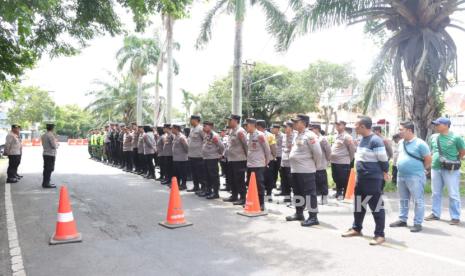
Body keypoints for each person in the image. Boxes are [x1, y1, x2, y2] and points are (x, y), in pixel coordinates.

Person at [342, 116, 389, 246]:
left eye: (356, 126)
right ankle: (356, 228)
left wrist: (385, 172)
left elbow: (383, 160)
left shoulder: (375, 141)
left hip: (372, 179)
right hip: (361, 178)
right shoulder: (363, 139)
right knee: (359, 205)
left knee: (376, 207)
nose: (354, 128)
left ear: (363, 126)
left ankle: (380, 235)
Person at [389, 121, 431, 232]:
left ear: (409, 130)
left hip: (415, 176)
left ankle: (418, 223)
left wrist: (422, 170)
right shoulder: (401, 142)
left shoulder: (420, 144)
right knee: (403, 199)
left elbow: (428, 159)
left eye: (401, 130)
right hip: (401, 175)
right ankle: (403, 219)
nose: (399, 132)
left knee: (418, 200)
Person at [425, 117, 465, 225]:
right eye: (435, 124)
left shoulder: (456, 137)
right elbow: (431, 152)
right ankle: (435, 213)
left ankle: (455, 216)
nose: (436, 126)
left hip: (451, 169)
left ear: (446, 125)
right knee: (435, 193)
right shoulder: (433, 137)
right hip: (435, 168)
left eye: (438, 124)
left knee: (453, 193)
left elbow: (462, 151)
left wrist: (455, 160)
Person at [286, 115, 322, 227]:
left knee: (309, 194)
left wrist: (314, 166)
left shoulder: (310, 135)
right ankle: (299, 213)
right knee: (297, 192)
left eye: (296, 122)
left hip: (306, 170)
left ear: (303, 123)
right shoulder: (297, 135)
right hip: (295, 169)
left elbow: (318, 153)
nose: (294, 124)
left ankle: (313, 217)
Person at [245, 118, 272, 211]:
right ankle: (252, 201)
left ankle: (261, 204)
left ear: (253, 125)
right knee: (250, 184)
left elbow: (267, 150)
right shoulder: (248, 135)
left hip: (259, 164)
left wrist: (266, 162)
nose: (246, 127)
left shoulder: (260, 135)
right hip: (250, 164)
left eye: (247, 125)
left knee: (259, 185)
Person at [223, 115, 248, 206]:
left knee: (239, 179)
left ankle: (242, 198)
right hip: (231, 159)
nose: (229, 122)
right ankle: (234, 195)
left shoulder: (240, 131)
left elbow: (246, 145)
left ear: (236, 121)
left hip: (239, 159)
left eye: (230, 120)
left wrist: (247, 158)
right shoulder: (232, 131)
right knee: (232, 178)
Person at [330, 120, 356, 200]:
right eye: (336, 125)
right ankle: (338, 193)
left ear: (344, 126)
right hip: (334, 161)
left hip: (343, 162)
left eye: (339, 125)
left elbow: (352, 150)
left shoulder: (347, 137)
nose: (337, 126)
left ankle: (345, 194)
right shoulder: (335, 136)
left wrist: (350, 160)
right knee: (336, 177)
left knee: (343, 179)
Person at [202, 121, 225, 199]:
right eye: (203, 126)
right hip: (206, 158)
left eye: (205, 126)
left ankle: (215, 193)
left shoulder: (214, 136)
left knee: (213, 176)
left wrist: (219, 154)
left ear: (211, 127)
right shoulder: (207, 135)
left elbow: (221, 146)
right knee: (207, 175)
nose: (204, 127)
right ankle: (208, 191)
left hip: (212, 158)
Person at [311, 124, 331, 205]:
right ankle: (318, 197)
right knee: (315, 181)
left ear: (317, 129)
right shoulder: (312, 138)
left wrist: (328, 160)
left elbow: (328, 151)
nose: (311, 131)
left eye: (312, 129)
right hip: (313, 164)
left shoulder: (322, 139)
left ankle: (324, 197)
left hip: (321, 163)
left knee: (322, 181)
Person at [257, 120, 277, 201]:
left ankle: (268, 193)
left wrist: (274, 156)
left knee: (267, 177)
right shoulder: (269, 135)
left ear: (259, 126)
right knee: (264, 177)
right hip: (262, 159)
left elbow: (273, 147)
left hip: (267, 159)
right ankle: (264, 193)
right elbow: (274, 148)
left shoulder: (269, 136)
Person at [187, 115, 206, 194]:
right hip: (192, 155)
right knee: (194, 172)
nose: (190, 121)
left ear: (195, 120)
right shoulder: (192, 129)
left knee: (200, 173)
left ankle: (203, 188)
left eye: (191, 119)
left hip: (199, 155)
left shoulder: (201, 129)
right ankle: (196, 186)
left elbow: (205, 140)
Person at [279, 121, 296, 203]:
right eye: (284, 127)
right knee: (284, 180)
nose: (285, 129)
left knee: (291, 181)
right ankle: (287, 196)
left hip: (291, 162)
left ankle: (296, 198)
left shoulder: (295, 136)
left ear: (291, 128)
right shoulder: (284, 136)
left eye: (286, 127)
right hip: (283, 161)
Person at [41, 123, 59, 188]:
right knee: (49, 169)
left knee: (46, 169)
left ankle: (46, 182)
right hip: (50, 154)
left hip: (45, 153)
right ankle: (46, 183)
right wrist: (57, 144)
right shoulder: (51, 135)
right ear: (52, 128)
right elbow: (53, 145)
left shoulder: (43, 135)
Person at [172, 124, 189, 190]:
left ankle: (183, 185)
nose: (172, 130)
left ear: (176, 129)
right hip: (176, 158)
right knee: (177, 172)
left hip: (182, 158)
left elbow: (187, 148)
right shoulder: (176, 136)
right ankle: (177, 184)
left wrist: (184, 155)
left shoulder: (182, 137)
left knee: (182, 172)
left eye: (173, 128)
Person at [271, 124, 284, 195]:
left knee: (281, 171)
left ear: (278, 129)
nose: (272, 130)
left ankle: (282, 185)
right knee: (273, 170)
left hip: (280, 155)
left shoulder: (282, 136)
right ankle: (273, 184)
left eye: (273, 128)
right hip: (273, 155)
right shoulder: (271, 136)